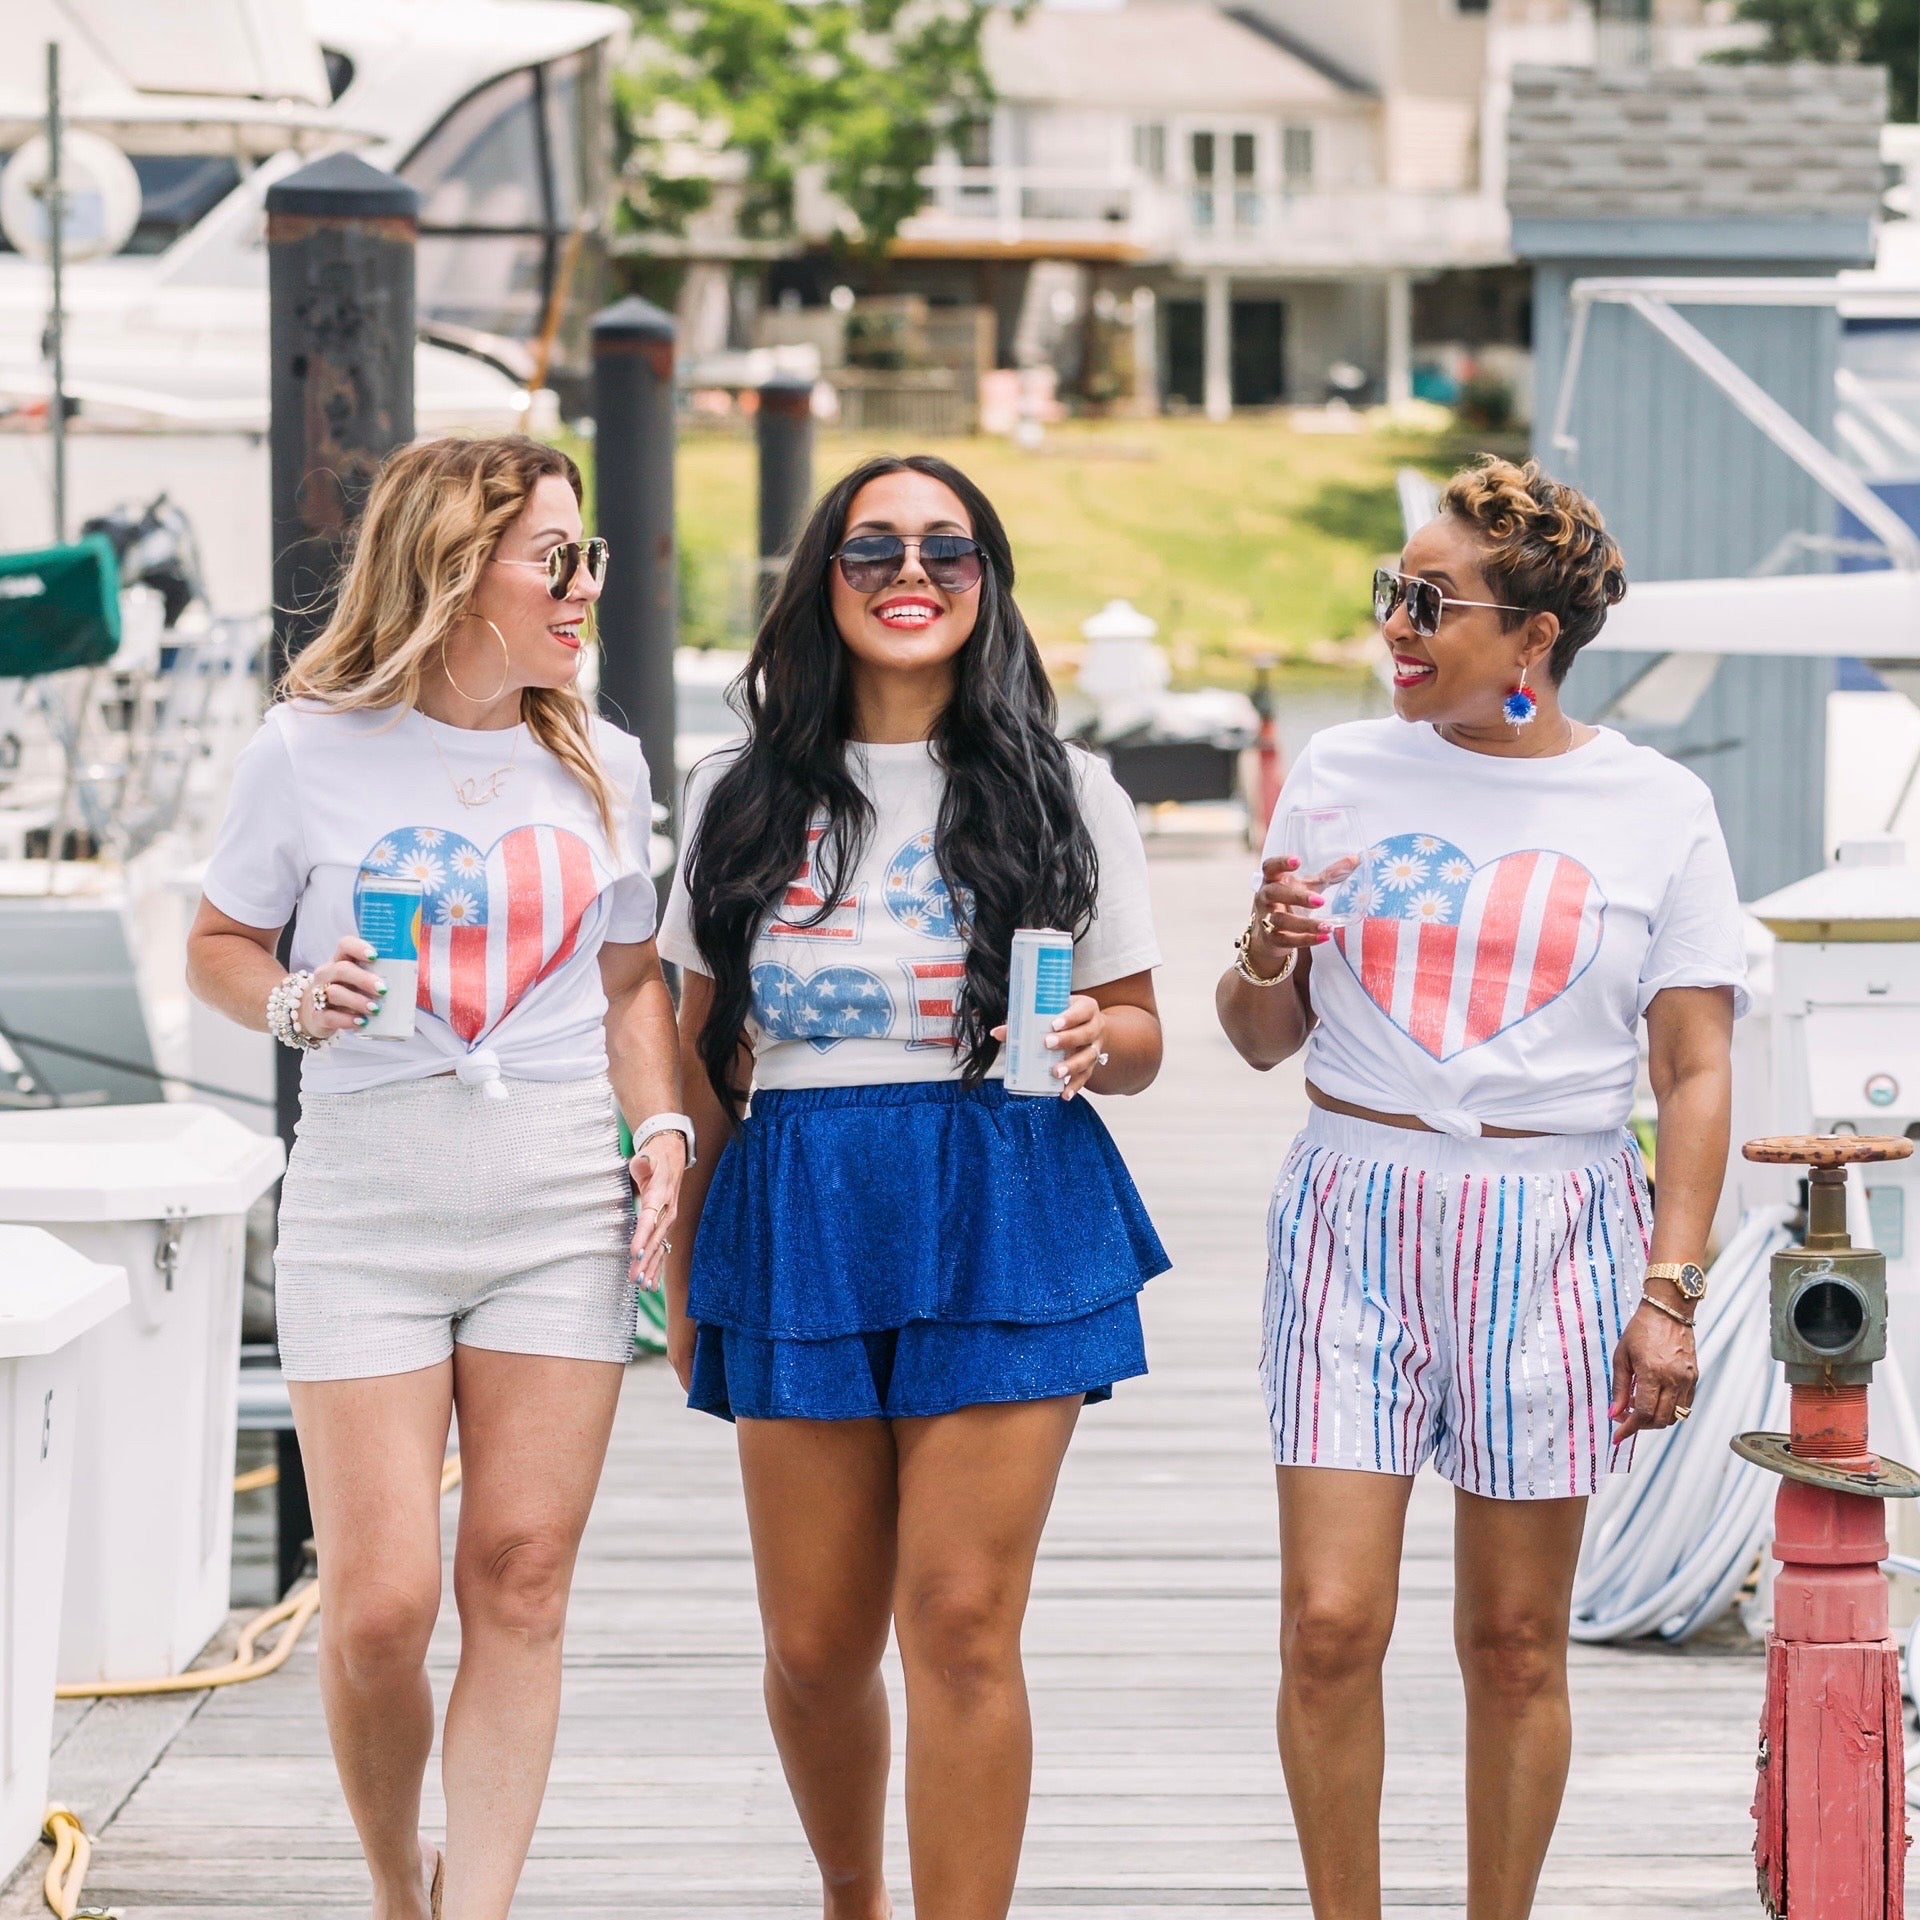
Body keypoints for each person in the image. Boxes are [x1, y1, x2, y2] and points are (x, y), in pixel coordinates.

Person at [1217, 456, 1746, 1920]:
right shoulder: (1338, 774)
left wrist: (1671, 1295)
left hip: (1559, 1221)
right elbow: (1259, 1038)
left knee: (1514, 1641)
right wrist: (1264, 948)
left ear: (1533, 644)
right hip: (1354, 1202)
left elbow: (1695, 1071)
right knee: (1330, 1625)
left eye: (1431, 602)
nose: (1396, 622)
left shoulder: (1654, 806)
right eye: (1394, 589)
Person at [187, 436, 690, 1920]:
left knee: (522, 1578)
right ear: (458, 570)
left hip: (553, 1194)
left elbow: (633, 986)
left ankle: (474, 1909)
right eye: (560, 557)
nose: (586, 584)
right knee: (383, 1605)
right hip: (368, 1195)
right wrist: (292, 998)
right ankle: (394, 1883)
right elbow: (216, 946)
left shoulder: (604, 756)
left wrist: (657, 1130)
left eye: (589, 554)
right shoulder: (308, 748)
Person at [658, 453, 1167, 1920]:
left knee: (958, 1623)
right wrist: (684, 1283)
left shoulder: (1069, 790)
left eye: (948, 551)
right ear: (823, 581)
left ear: (987, 586)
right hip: (797, 1205)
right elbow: (699, 1059)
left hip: (1006, 1198)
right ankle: (851, 1895)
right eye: (873, 549)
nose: (911, 576)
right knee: (816, 1645)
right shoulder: (733, 794)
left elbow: (1137, 1038)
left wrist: (1088, 1039)